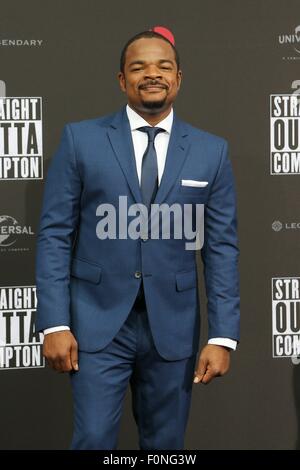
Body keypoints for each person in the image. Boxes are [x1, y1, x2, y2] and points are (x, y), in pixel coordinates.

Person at [35, 27, 240, 450]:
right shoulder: (81, 140)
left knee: (165, 446)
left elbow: (221, 247)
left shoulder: (211, 150)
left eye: (163, 66)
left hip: (174, 327)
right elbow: (55, 235)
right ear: (122, 80)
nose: (152, 74)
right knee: (92, 439)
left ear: (179, 78)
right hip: (96, 323)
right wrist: (54, 322)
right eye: (139, 66)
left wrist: (222, 337)